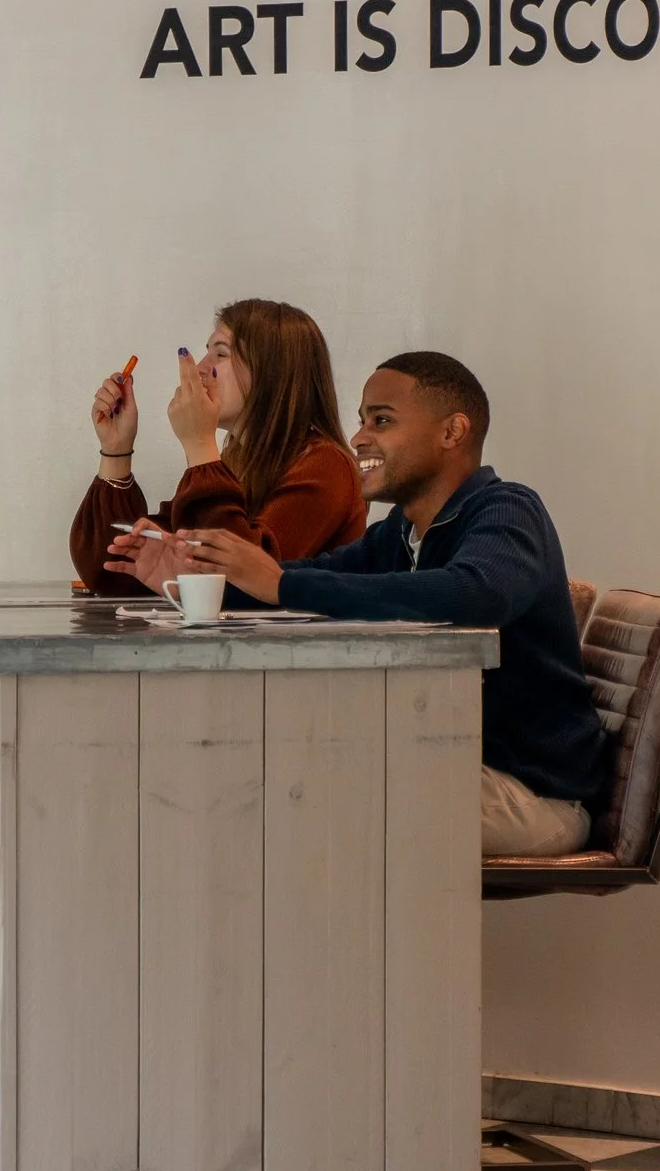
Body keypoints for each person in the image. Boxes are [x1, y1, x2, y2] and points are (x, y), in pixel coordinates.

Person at [120, 351, 609, 857]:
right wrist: (192, 581)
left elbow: (474, 594)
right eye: (362, 420)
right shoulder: (399, 533)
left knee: (309, 801)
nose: (357, 437)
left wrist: (280, 584)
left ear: (452, 431)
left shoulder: (508, 509)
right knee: (281, 780)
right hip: (451, 764)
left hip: (535, 796)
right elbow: (309, 578)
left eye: (382, 420)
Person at [70, 298, 369, 595]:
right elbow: (113, 571)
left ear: (273, 372)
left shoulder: (327, 465)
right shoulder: (235, 464)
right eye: (206, 352)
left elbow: (245, 579)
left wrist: (200, 445)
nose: (201, 368)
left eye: (221, 354)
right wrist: (117, 449)